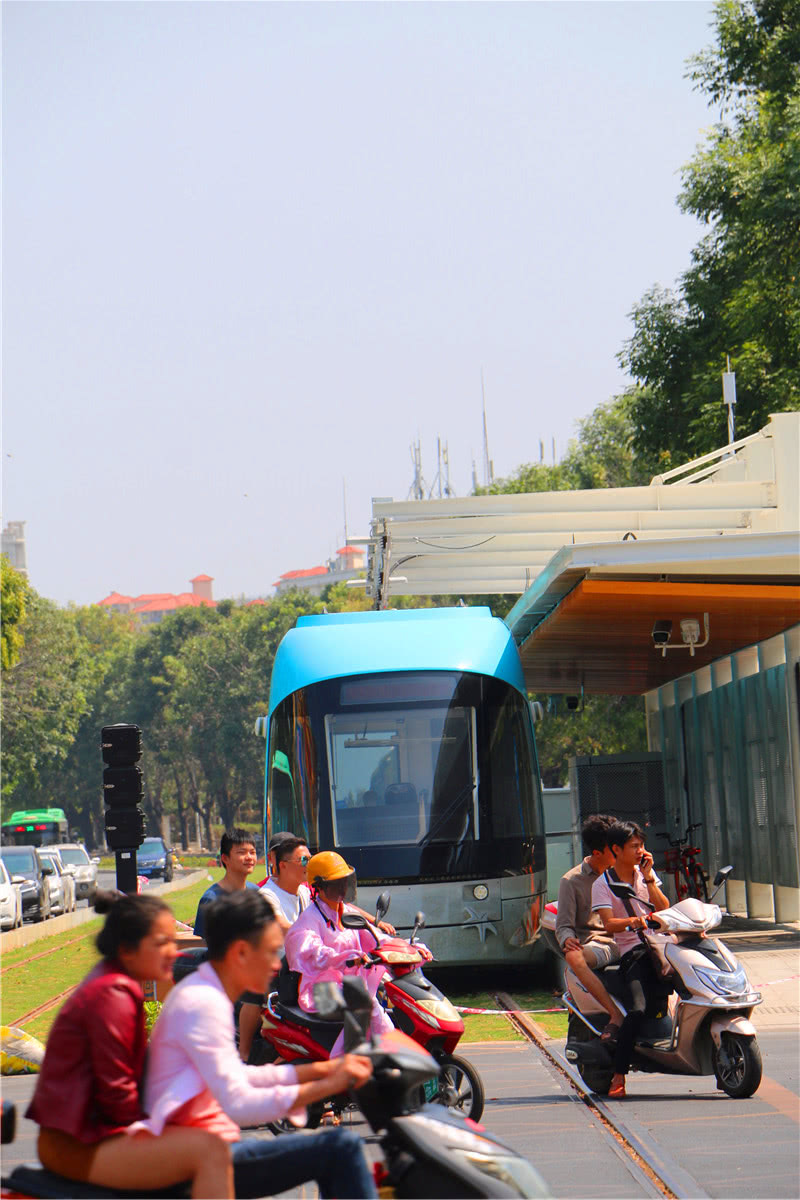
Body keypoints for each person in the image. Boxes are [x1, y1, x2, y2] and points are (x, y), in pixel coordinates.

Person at [143, 889, 377, 1199]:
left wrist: (327, 1070)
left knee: (332, 1150)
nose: (277, 965)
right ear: (240, 952)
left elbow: (241, 1078)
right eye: (269, 952)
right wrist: (329, 1084)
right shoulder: (203, 1004)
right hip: (192, 1163)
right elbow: (239, 1103)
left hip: (204, 1152)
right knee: (340, 1147)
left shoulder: (206, 994)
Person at [26, 891, 233, 1199]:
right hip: (77, 1146)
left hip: (86, 1137)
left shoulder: (116, 984)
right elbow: (118, 1094)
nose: (174, 953)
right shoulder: (113, 995)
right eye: (161, 943)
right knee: (210, 1152)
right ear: (127, 950)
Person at [284, 851, 399, 1057]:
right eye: (336, 884)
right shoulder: (309, 920)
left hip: (353, 985)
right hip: (321, 992)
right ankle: (343, 1066)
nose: (343, 888)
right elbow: (315, 953)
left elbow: (375, 938)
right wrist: (348, 957)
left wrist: (407, 947)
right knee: (367, 1004)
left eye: (345, 882)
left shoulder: (345, 912)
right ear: (319, 888)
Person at [591, 819, 671, 1098]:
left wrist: (649, 878)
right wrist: (636, 921)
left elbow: (664, 910)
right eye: (635, 846)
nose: (641, 851)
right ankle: (618, 1074)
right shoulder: (603, 884)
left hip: (661, 947)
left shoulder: (644, 875)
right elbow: (609, 924)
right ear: (616, 849)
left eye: (642, 845)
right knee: (636, 1010)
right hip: (633, 953)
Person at [194, 828, 264, 1062]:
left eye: (252, 852)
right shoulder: (211, 900)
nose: (249, 858)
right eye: (241, 852)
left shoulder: (256, 893)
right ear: (224, 859)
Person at [556, 814, 623, 1040]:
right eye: (614, 849)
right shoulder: (571, 881)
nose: (620, 852)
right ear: (597, 853)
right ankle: (615, 1014)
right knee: (575, 958)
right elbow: (563, 925)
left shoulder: (629, 871)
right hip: (602, 943)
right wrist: (568, 940)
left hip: (633, 936)